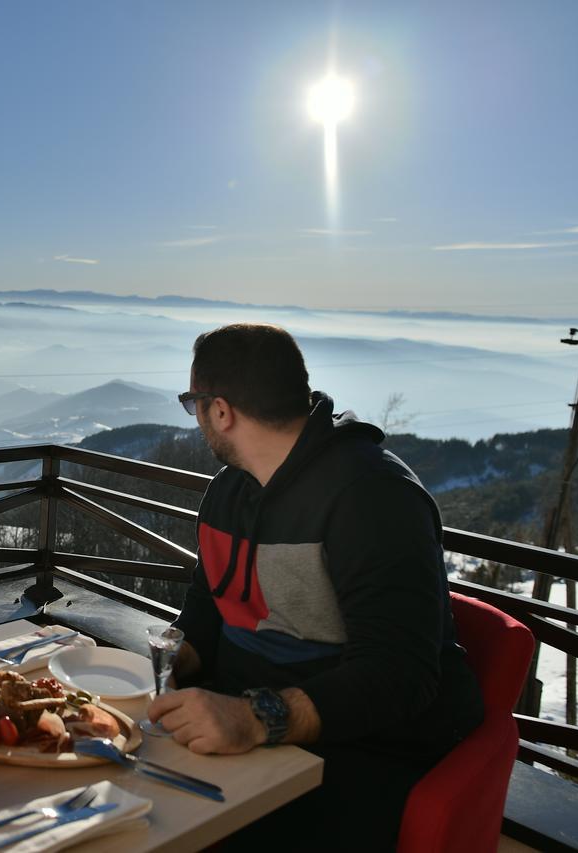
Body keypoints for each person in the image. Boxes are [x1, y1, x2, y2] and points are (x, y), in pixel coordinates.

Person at [148, 323, 483, 850]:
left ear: (220, 411)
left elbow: (400, 675)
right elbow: (206, 613)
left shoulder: (374, 498)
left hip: (359, 748)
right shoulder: (227, 493)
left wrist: (257, 718)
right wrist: (160, 665)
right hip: (243, 720)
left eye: (193, 405)